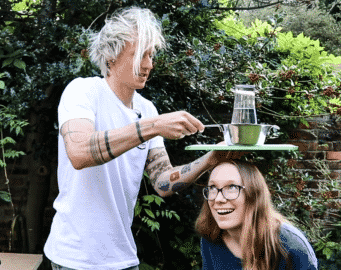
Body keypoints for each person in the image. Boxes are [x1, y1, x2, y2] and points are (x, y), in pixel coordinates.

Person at [43, 6, 241, 270]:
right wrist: (154, 125)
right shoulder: (83, 91)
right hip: (74, 259)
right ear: (111, 56)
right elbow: (79, 152)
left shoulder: (146, 109)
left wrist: (213, 157)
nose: (148, 64)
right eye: (139, 54)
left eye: (151, 55)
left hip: (123, 259)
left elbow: (162, 182)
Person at [195, 161, 318, 270]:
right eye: (212, 187)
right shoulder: (211, 238)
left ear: (254, 195)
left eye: (231, 187)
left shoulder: (291, 246)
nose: (218, 199)